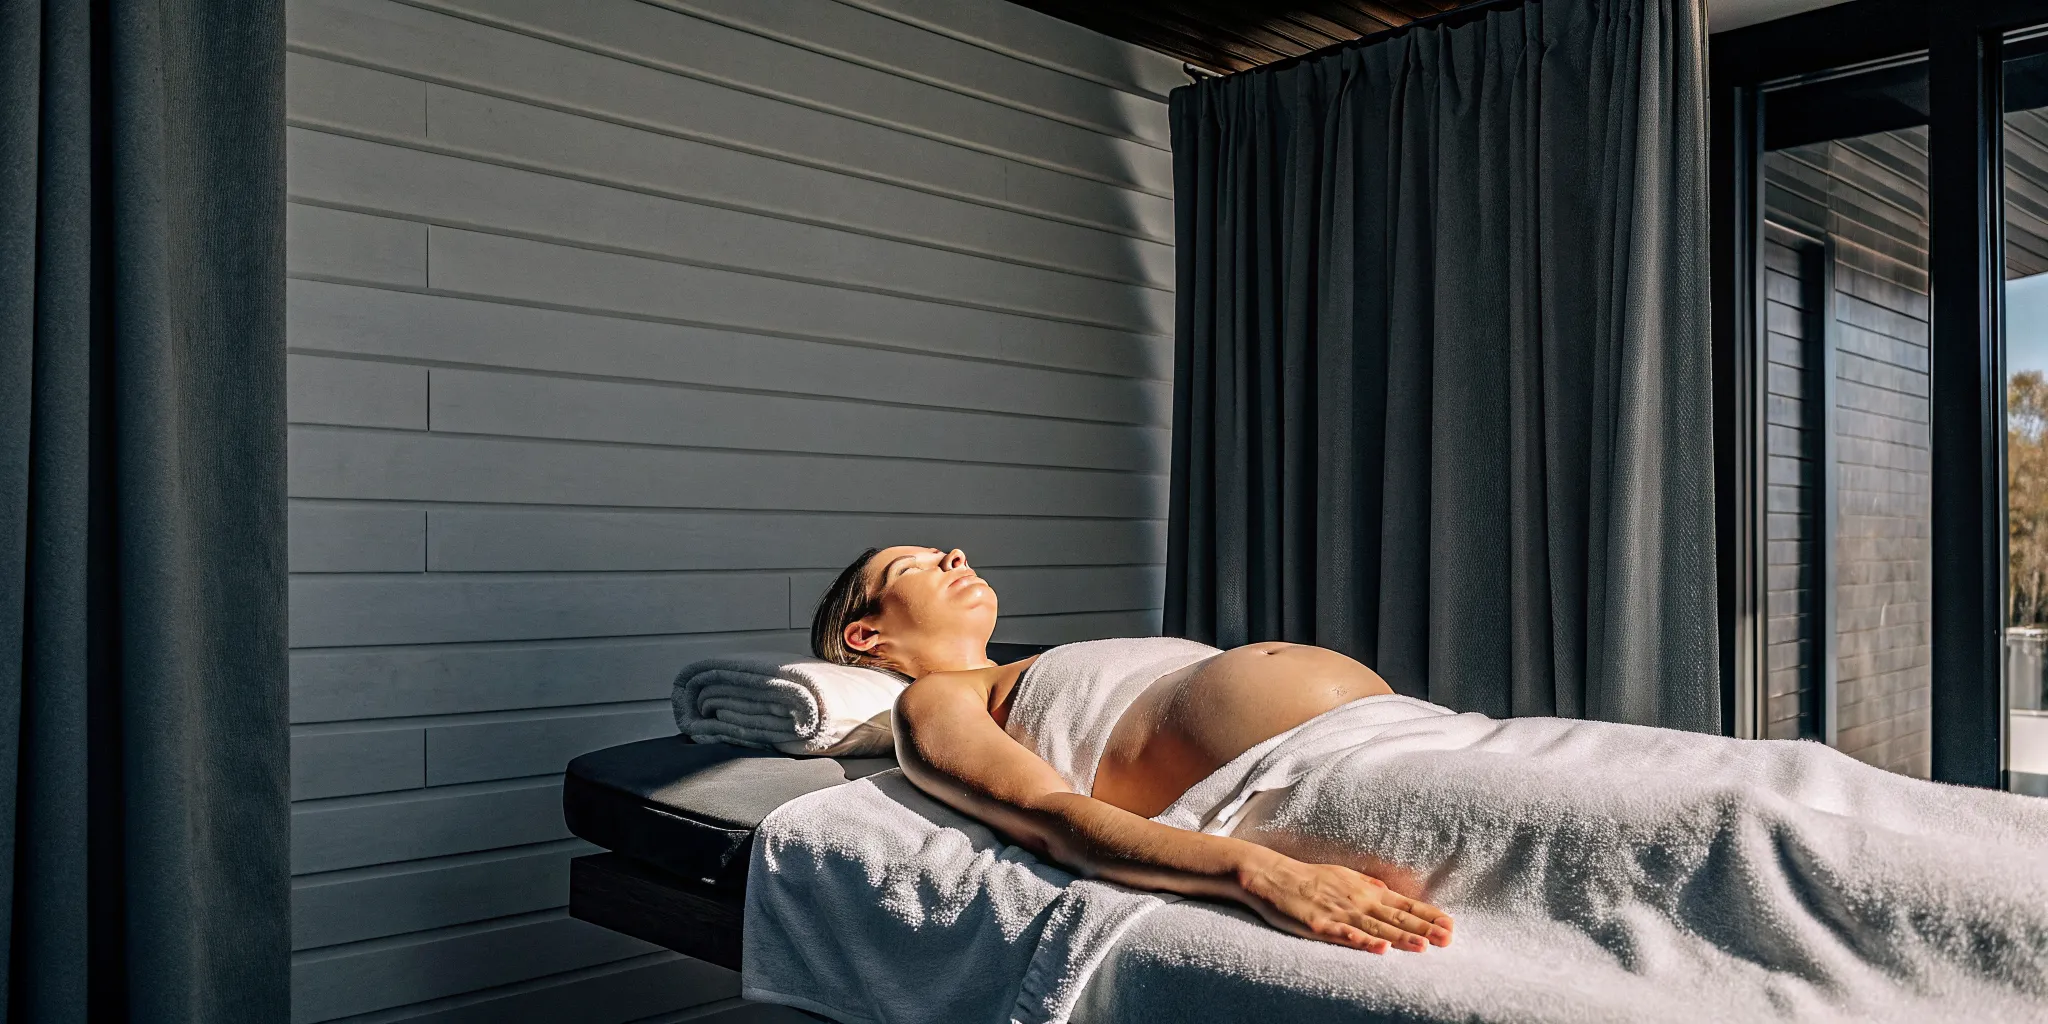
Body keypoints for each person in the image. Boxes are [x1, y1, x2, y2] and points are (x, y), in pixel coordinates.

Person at [809, 544, 1455, 956]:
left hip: (1419, 730)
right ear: (866, 634)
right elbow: (1049, 815)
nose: (953, 554)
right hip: (1305, 775)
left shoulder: (1045, 660)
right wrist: (1253, 872)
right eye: (911, 567)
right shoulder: (937, 699)